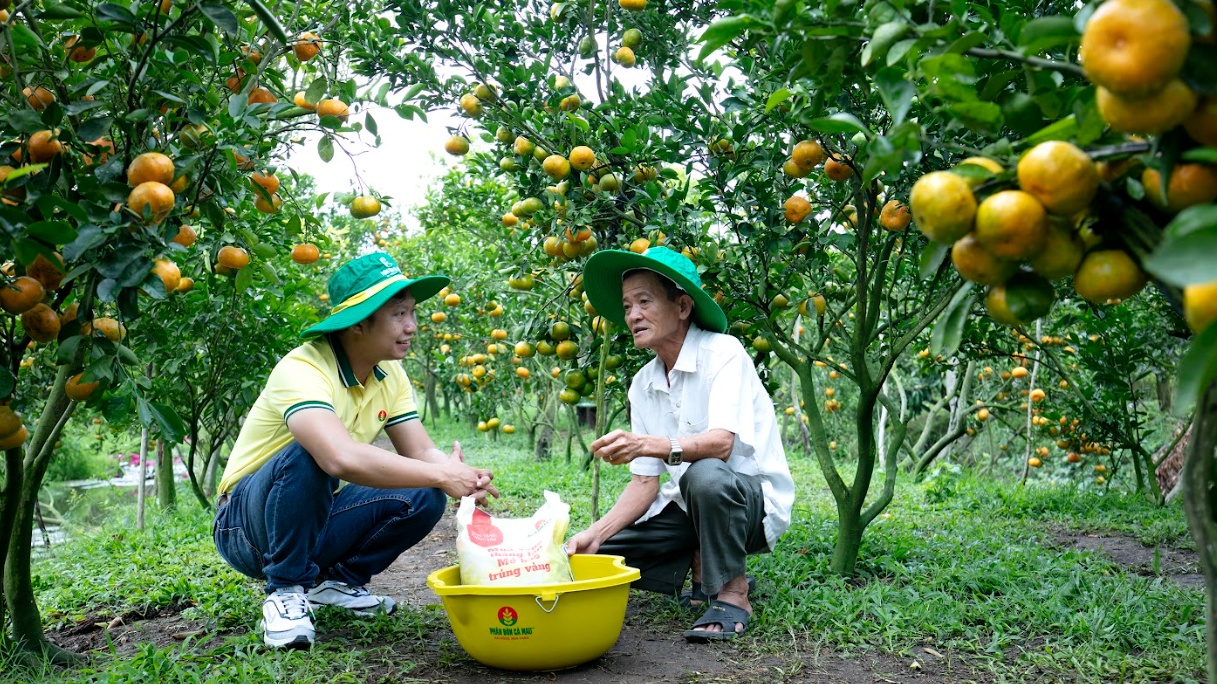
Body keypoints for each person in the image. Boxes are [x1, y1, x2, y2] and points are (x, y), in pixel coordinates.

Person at [213, 251, 497, 649]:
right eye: (399, 314)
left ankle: (334, 583)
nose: (412, 326)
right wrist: (440, 473)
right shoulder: (304, 368)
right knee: (309, 454)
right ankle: (285, 591)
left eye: (413, 313)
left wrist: (455, 473)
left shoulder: (390, 375)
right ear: (360, 321)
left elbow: (420, 452)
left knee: (424, 493)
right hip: (245, 527)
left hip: (314, 516)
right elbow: (338, 457)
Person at [565, 246, 794, 642]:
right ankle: (700, 559)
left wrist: (646, 444)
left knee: (704, 475)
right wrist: (597, 533)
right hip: (684, 510)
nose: (632, 315)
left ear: (683, 306)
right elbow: (644, 485)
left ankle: (733, 594)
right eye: (627, 305)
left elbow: (721, 445)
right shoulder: (643, 383)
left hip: (746, 504)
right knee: (593, 560)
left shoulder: (723, 352)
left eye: (644, 301)